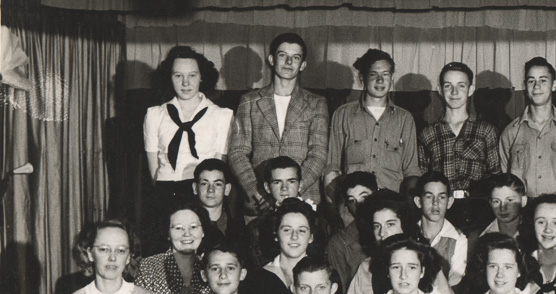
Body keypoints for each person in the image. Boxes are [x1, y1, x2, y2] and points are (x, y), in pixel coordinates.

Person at [228, 32, 328, 207]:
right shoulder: (249, 101)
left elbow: (318, 153)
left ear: (303, 65)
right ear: (272, 59)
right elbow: (238, 152)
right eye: (283, 55)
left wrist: (294, 189)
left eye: (295, 58)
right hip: (259, 201)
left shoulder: (316, 103)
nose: (288, 62)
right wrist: (257, 192)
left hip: (303, 198)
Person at [324, 48, 421, 194]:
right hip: (353, 202)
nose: (380, 80)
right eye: (373, 74)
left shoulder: (404, 119)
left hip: (390, 201)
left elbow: (412, 170)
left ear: (391, 79)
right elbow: (332, 167)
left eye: (385, 74)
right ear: (362, 78)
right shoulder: (343, 114)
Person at [419, 61, 500, 234]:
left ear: (470, 90)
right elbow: (422, 179)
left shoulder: (486, 131)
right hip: (441, 212)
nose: (454, 92)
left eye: (461, 86)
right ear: (440, 90)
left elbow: (496, 177)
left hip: (478, 213)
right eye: (448, 86)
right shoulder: (428, 134)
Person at [143, 46, 233, 188]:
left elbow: (219, 168)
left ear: (202, 77)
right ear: (169, 77)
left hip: (203, 190)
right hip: (165, 189)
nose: (185, 82)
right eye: (178, 75)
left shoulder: (222, 116)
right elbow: (154, 169)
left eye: (192, 75)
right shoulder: (154, 115)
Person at [499, 57, 556, 198]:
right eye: (531, 81)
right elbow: (506, 182)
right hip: (524, 209)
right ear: (525, 85)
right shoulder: (510, 132)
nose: (536, 86)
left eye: (543, 80)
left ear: (554, 85)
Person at [344, 191, 432, 294]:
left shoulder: (424, 262)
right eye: (377, 226)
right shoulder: (366, 268)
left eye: (390, 224)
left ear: (404, 225)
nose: (382, 233)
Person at [137, 198, 211, 294]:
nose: (187, 234)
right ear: (167, 233)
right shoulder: (148, 267)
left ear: (203, 231)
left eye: (193, 227)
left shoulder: (210, 266)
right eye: (178, 228)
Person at [240, 199, 319, 294]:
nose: (294, 237)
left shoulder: (326, 275)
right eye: (287, 230)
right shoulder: (255, 280)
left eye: (302, 230)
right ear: (276, 235)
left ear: (311, 237)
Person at [416, 171, 469, 288]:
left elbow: (453, 286)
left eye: (442, 197)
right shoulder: (408, 233)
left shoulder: (458, 239)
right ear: (418, 201)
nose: (435, 203)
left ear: (449, 202)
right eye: (429, 196)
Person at [326, 171, 376, 292]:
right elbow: (342, 291)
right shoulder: (339, 243)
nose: (359, 206)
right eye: (352, 201)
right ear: (347, 206)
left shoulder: (392, 229)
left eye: (364, 197)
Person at [191, 158, 249, 255]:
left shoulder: (239, 230)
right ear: (195, 188)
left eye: (217, 184)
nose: (211, 190)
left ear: (227, 189)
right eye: (204, 184)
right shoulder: (186, 226)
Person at [474, 173, 527, 240]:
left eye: (509, 200)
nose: (502, 208)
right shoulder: (479, 237)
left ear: (523, 201)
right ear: (490, 203)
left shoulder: (534, 233)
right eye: (496, 201)